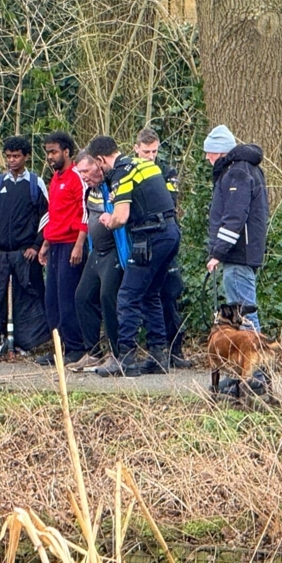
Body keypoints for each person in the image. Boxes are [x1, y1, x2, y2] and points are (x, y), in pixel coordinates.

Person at [87, 135, 181, 377]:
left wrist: (109, 221)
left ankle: (125, 357)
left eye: (97, 166)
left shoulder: (121, 172)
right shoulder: (143, 165)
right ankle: (158, 355)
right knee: (151, 294)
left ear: (100, 159)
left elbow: (121, 217)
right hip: (170, 232)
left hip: (149, 237)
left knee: (127, 295)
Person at [0, 136, 51, 363]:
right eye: (9, 156)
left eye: (16, 156)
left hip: (27, 254)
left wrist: (35, 246)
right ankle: (0, 341)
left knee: (30, 297)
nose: (12, 160)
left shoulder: (35, 184)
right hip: (2, 254)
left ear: (25, 157)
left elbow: (46, 216)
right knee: (1, 297)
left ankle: (29, 342)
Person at [134, 127, 191, 368]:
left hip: (165, 237)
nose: (150, 156)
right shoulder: (129, 170)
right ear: (136, 148)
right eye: (146, 151)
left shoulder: (166, 171)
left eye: (154, 151)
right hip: (142, 239)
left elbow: (169, 202)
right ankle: (155, 348)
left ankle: (176, 349)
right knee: (147, 295)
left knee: (169, 293)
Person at [203, 125, 269, 331]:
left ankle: (257, 362)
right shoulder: (244, 170)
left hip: (239, 254)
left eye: (210, 152)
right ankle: (255, 360)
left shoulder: (237, 173)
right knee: (244, 312)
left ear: (220, 151)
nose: (207, 157)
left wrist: (217, 253)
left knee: (244, 316)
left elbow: (234, 218)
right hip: (242, 253)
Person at [69, 151, 126, 372]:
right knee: (82, 296)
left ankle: (116, 351)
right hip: (96, 252)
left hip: (114, 251)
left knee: (107, 297)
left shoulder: (112, 186)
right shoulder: (89, 190)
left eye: (86, 171)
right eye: (79, 172)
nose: (83, 176)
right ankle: (93, 352)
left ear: (98, 166)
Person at [37, 131, 88, 365]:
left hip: (71, 245)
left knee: (68, 298)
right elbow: (54, 214)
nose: (50, 157)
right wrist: (45, 243)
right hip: (55, 244)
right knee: (52, 300)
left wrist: (79, 244)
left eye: (53, 152)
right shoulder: (55, 178)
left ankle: (76, 347)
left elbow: (84, 211)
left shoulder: (77, 176)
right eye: (47, 152)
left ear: (66, 152)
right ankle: (59, 347)